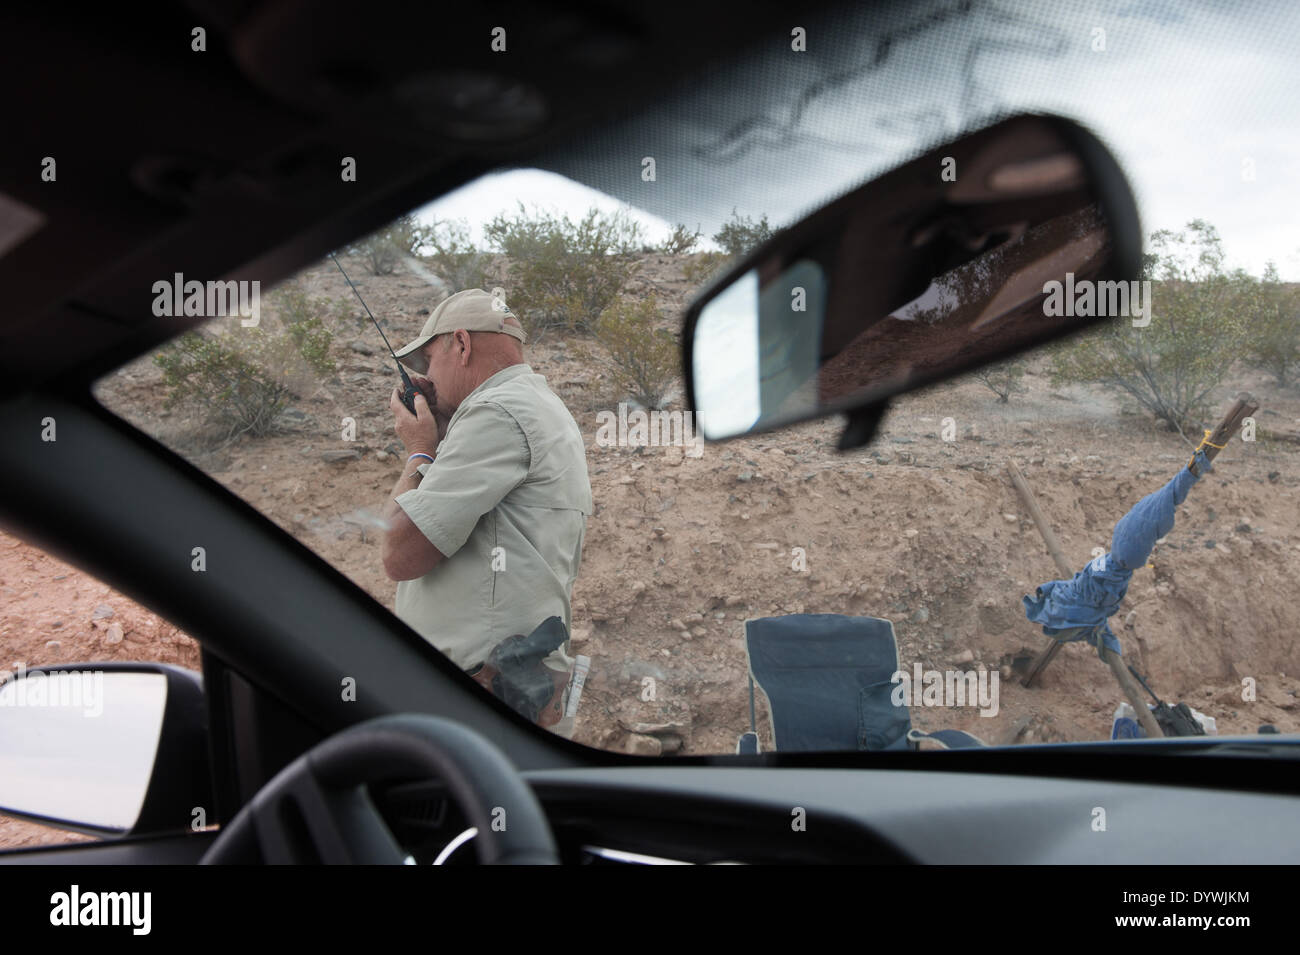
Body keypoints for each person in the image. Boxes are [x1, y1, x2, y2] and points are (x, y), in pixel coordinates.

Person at [379, 288, 592, 736]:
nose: (428, 380)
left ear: (462, 344)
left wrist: (419, 450)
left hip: (484, 698)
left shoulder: (495, 413)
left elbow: (399, 553)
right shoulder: (541, 407)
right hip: (520, 687)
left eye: (429, 362)